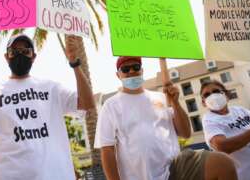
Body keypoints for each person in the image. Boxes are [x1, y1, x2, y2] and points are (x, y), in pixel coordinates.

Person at [0, 34, 95, 180]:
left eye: (26, 51)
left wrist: (75, 63)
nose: (20, 54)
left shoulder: (52, 89)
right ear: (6, 57)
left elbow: (87, 103)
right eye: (14, 52)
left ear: (33, 57)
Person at [95, 56, 237, 180]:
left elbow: (185, 133)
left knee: (224, 164)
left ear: (142, 70)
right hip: (139, 176)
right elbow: (107, 150)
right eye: (125, 69)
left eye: (135, 67)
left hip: (175, 169)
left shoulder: (161, 98)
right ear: (118, 75)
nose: (131, 71)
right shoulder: (110, 106)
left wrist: (175, 102)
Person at [200, 79, 250, 180]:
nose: (212, 96)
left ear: (226, 95)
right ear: (203, 103)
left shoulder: (239, 110)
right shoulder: (209, 119)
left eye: (216, 91)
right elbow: (221, 146)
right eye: (207, 95)